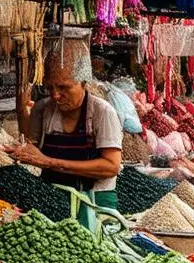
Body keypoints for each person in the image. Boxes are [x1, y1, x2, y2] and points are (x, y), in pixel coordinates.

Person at [13, 41, 123, 217]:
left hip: (95, 201)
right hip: (52, 197)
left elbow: (111, 167)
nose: (56, 95)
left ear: (83, 83)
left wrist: (51, 163)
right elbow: (33, 147)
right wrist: (23, 151)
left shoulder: (102, 112)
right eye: (50, 87)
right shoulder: (42, 109)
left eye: (63, 87)